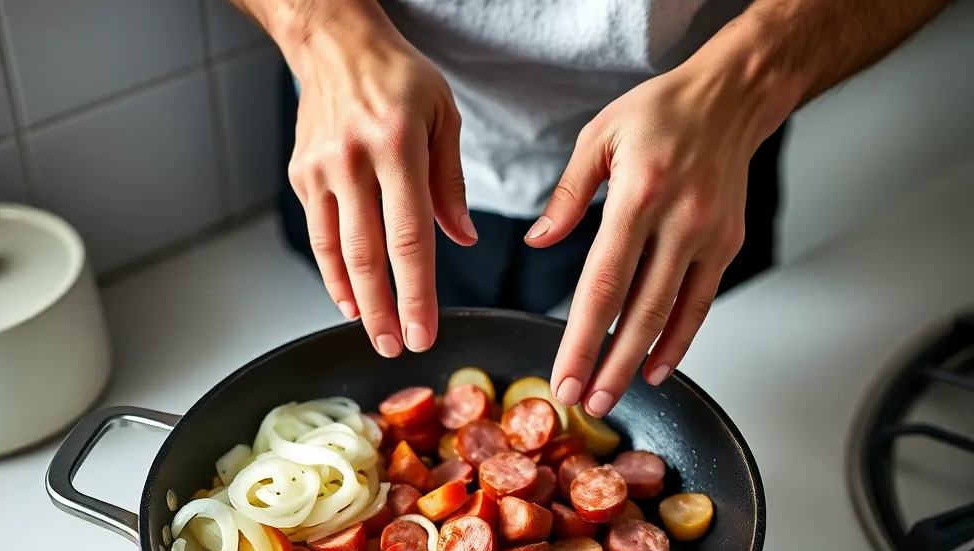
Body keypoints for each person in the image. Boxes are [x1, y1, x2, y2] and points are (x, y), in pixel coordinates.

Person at [233, 0, 950, 417]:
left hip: (696, 148)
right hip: (362, 135)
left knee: (674, 393)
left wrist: (756, 73)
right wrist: (317, 25)